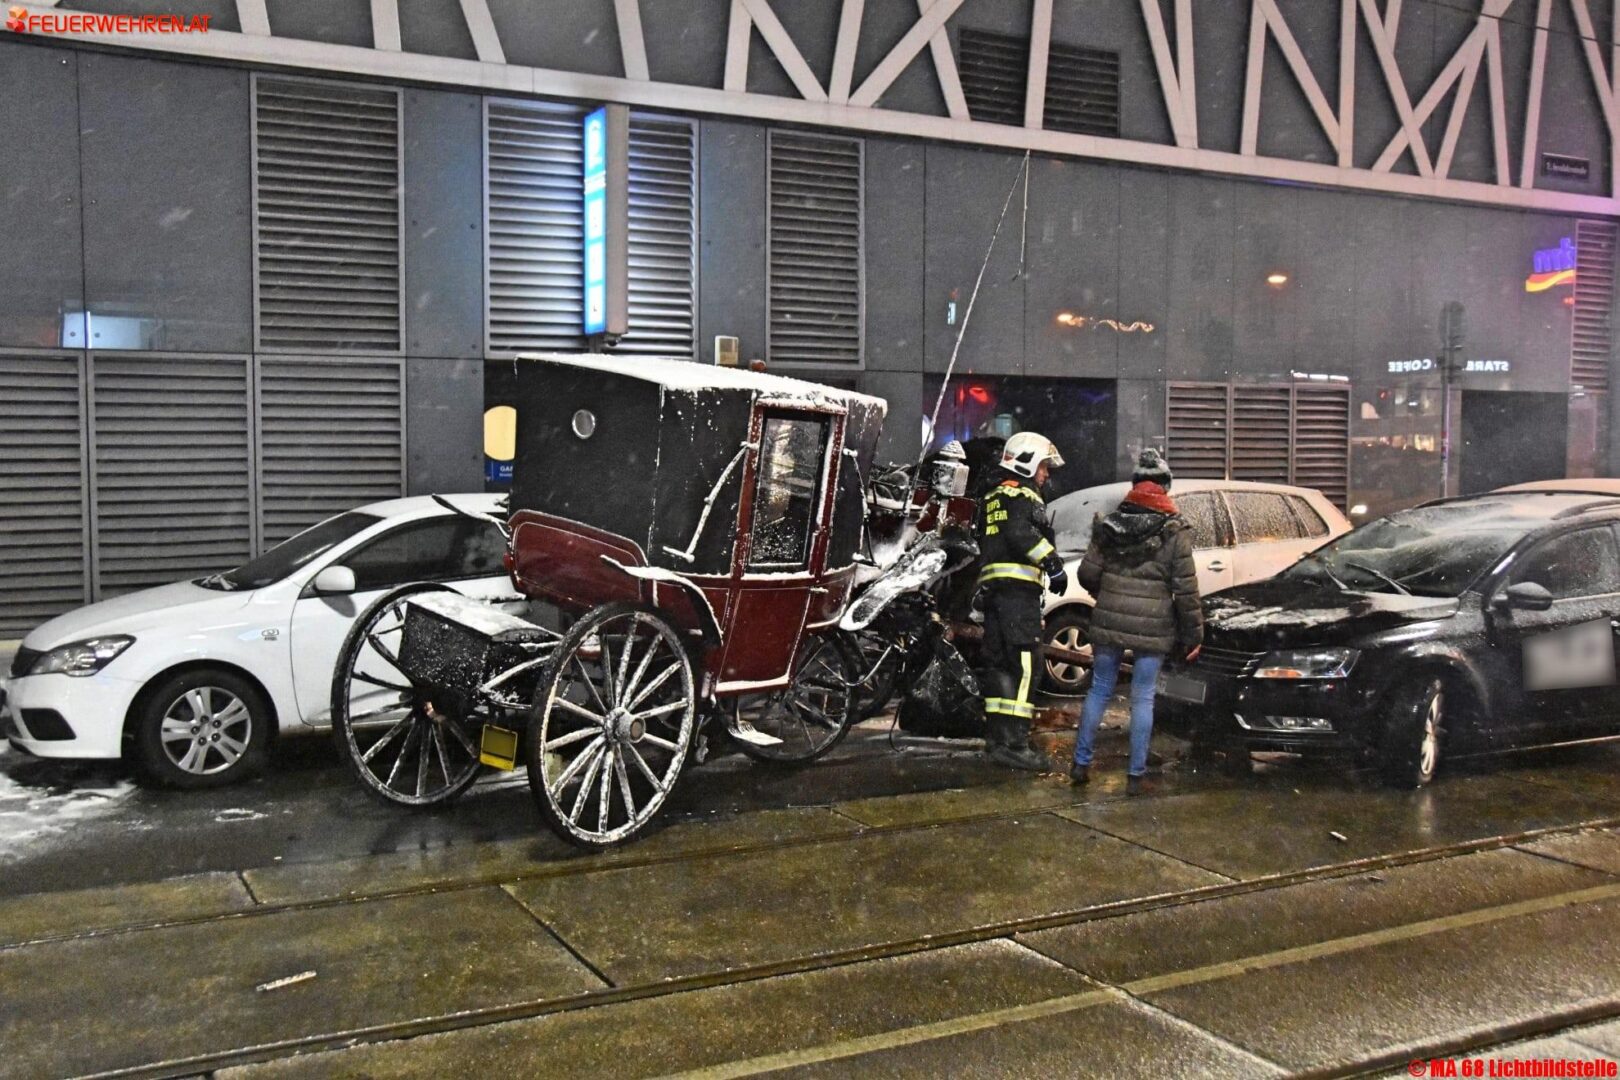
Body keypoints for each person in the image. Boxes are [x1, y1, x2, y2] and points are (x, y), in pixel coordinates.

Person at [1070, 448, 1202, 795]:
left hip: (1109, 621)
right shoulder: (1175, 530)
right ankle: (1135, 776)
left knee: (1100, 689)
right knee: (1142, 697)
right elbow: (1185, 590)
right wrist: (1193, 635)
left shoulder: (1109, 526)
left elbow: (1086, 574)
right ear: (1165, 486)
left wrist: (1107, 593)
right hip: (1153, 626)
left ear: (1135, 485)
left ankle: (1081, 764)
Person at [974, 431, 1069, 771]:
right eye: (1043, 466)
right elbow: (1021, 534)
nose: (1046, 474)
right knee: (1028, 667)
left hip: (995, 596)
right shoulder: (1024, 495)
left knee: (1000, 666)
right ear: (1027, 463)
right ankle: (1016, 744)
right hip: (1018, 597)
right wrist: (1053, 564)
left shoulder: (993, 496)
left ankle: (998, 740)